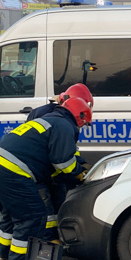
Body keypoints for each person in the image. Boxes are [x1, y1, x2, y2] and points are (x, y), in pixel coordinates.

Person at [0, 96, 92, 260]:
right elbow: (63, 162)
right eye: (84, 123)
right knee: (32, 218)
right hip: (11, 172)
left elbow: (61, 153)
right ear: (80, 116)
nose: (83, 127)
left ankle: (3, 252)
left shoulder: (48, 120)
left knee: (11, 214)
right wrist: (79, 174)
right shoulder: (65, 126)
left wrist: (79, 162)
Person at [27, 84, 95, 234]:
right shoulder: (60, 119)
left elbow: (68, 148)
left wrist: (81, 162)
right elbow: (61, 156)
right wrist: (77, 172)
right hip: (44, 171)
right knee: (47, 208)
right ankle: (48, 241)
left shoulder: (54, 113)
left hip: (44, 168)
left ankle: (51, 240)